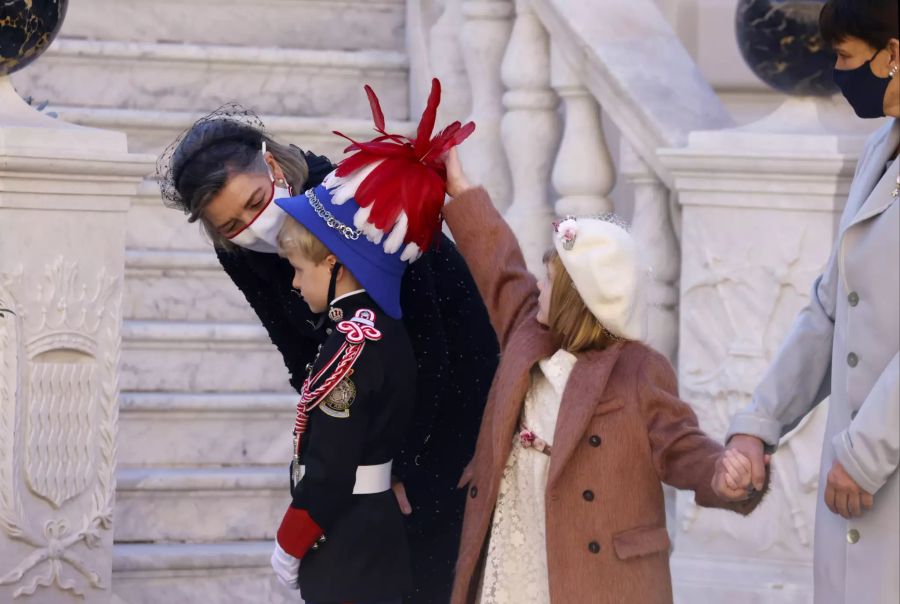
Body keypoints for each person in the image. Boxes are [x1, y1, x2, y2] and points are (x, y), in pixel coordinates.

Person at [157, 94, 499, 601]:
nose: (252, 226)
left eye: (255, 202)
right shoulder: (238, 251)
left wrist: (406, 467)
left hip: (457, 387)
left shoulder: (348, 199)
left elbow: (430, 342)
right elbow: (303, 355)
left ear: (271, 164)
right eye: (230, 225)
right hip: (375, 417)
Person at [439, 149, 767, 604]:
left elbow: (680, 447)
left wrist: (720, 474)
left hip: (599, 577)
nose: (539, 287)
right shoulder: (527, 331)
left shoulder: (638, 371)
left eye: (551, 280)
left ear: (581, 299)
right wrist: (464, 194)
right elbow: (502, 269)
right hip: (518, 547)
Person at [723, 2, 899, 603]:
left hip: (874, 468)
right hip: (857, 490)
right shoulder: (880, 149)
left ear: (894, 54)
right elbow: (830, 308)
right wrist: (758, 425)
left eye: (848, 58)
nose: (839, 73)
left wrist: (865, 454)